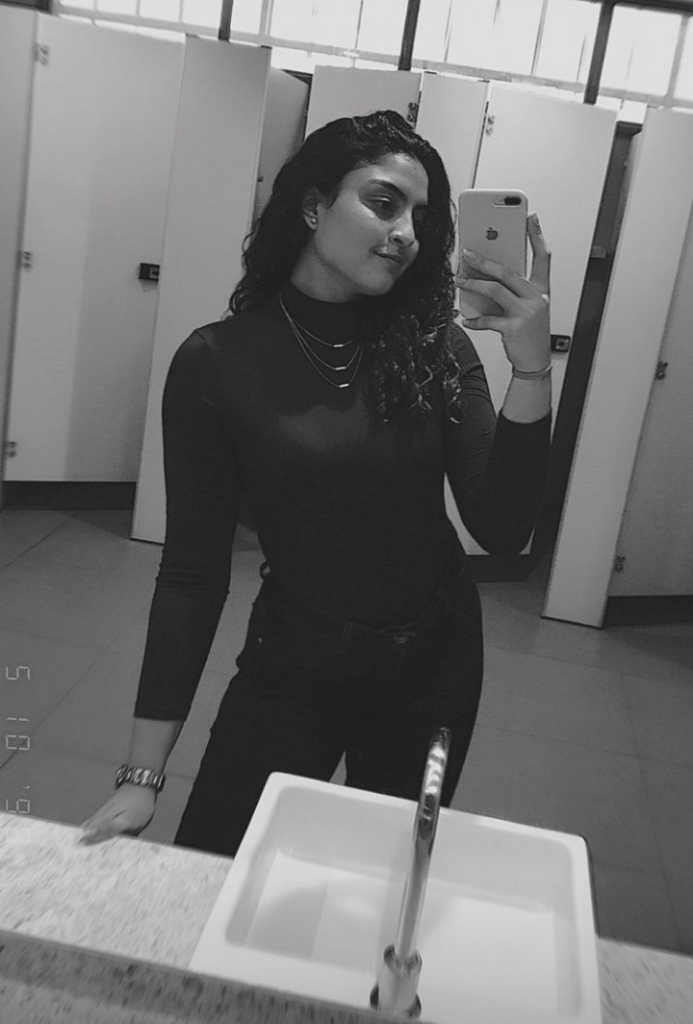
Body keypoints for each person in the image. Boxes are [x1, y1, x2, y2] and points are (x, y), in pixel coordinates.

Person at [79, 109, 552, 855]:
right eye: (383, 202)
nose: (406, 233)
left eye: (421, 217)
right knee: (218, 859)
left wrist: (531, 369)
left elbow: (502, 526)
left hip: (435, 663)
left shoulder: (435, 346)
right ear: (312, 205)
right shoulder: (217, 364)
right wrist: (142, 775)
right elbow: (192, 576)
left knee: (385, 875)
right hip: (294, 663)